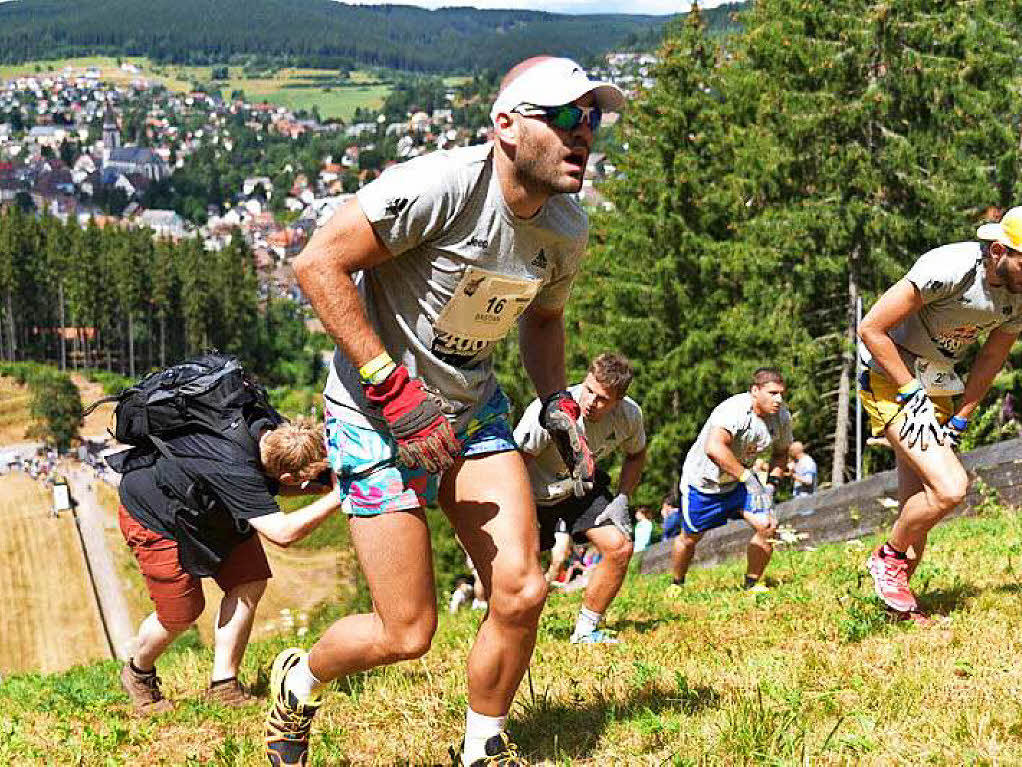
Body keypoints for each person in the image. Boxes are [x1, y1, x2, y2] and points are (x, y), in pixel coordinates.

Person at [265, 56, 625, 767]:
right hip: (373, 416)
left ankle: (481, 747)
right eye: (563, 117)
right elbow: (317, 265)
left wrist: (555, 400)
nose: (583, 133)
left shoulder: (565, 228)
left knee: (522, 590)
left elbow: (544, 320)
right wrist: (391, 387)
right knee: (406, 632)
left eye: (592, 118)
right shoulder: (441, 187)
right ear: (507, 127)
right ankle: (298, 679)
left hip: (469, 413)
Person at [857, 206, 1022, 614]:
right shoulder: (949, 267)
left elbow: (990, 359)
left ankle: (900, 606)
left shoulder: (1020, 298)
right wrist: (910, 391)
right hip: (888, 374)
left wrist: (964, 414)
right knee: (950, 488)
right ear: (999, 251)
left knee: (921, 504)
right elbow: (871, 329)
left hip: (939, 381)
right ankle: (887, 558)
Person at [116, 419, 339, 715]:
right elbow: (283, 533)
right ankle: (137, 673)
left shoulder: (266, 429)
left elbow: (272, 480)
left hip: (212, 504)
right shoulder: (235, 468)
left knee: (249, 578)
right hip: (156, 513)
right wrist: (340, 495)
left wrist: (323, 483)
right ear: (286, 475)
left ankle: (224, 687)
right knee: (181, 612)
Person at [515, 353, 647, 644]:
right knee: (521, 568)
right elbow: (514, 465)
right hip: (532, 492)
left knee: (620, 548)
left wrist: (623, 497)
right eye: (588, 390)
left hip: (580, 487)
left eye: (602, 399)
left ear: (619, 401)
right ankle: (511, 635)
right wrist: (519, 514)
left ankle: (586, 631)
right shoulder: (549, 411)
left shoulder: (630, 416)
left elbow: (636, 455)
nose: (590, 402)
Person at [670, 368, 792, 592]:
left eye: (781, 393)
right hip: (704, 484)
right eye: (773, 393)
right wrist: (748, 478)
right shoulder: (734, 410)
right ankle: (677, 583)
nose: (779, 399)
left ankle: (751, 584)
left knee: (767, 526)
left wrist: (772, 484)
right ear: (755, 391)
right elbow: (714, 447)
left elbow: (781, 452)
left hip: (739, 483)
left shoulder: (781, 417)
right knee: (689, 538)